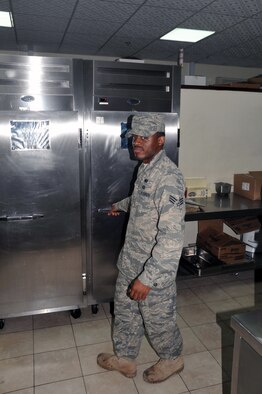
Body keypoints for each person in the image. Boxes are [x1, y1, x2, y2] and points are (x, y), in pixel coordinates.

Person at [97, 113, 185, 383]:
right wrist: (119, 206)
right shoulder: (146, 168)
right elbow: (140, 199)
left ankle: (173, 359)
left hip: (153, 270)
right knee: (125, 313)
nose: (137, 142)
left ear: (161, 140)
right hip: (131, 261)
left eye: (144, 138)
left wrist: (147, 279)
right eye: (134, 137)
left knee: (157, 320)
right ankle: (125, 358)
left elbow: (171, 239)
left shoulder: (169, 178)